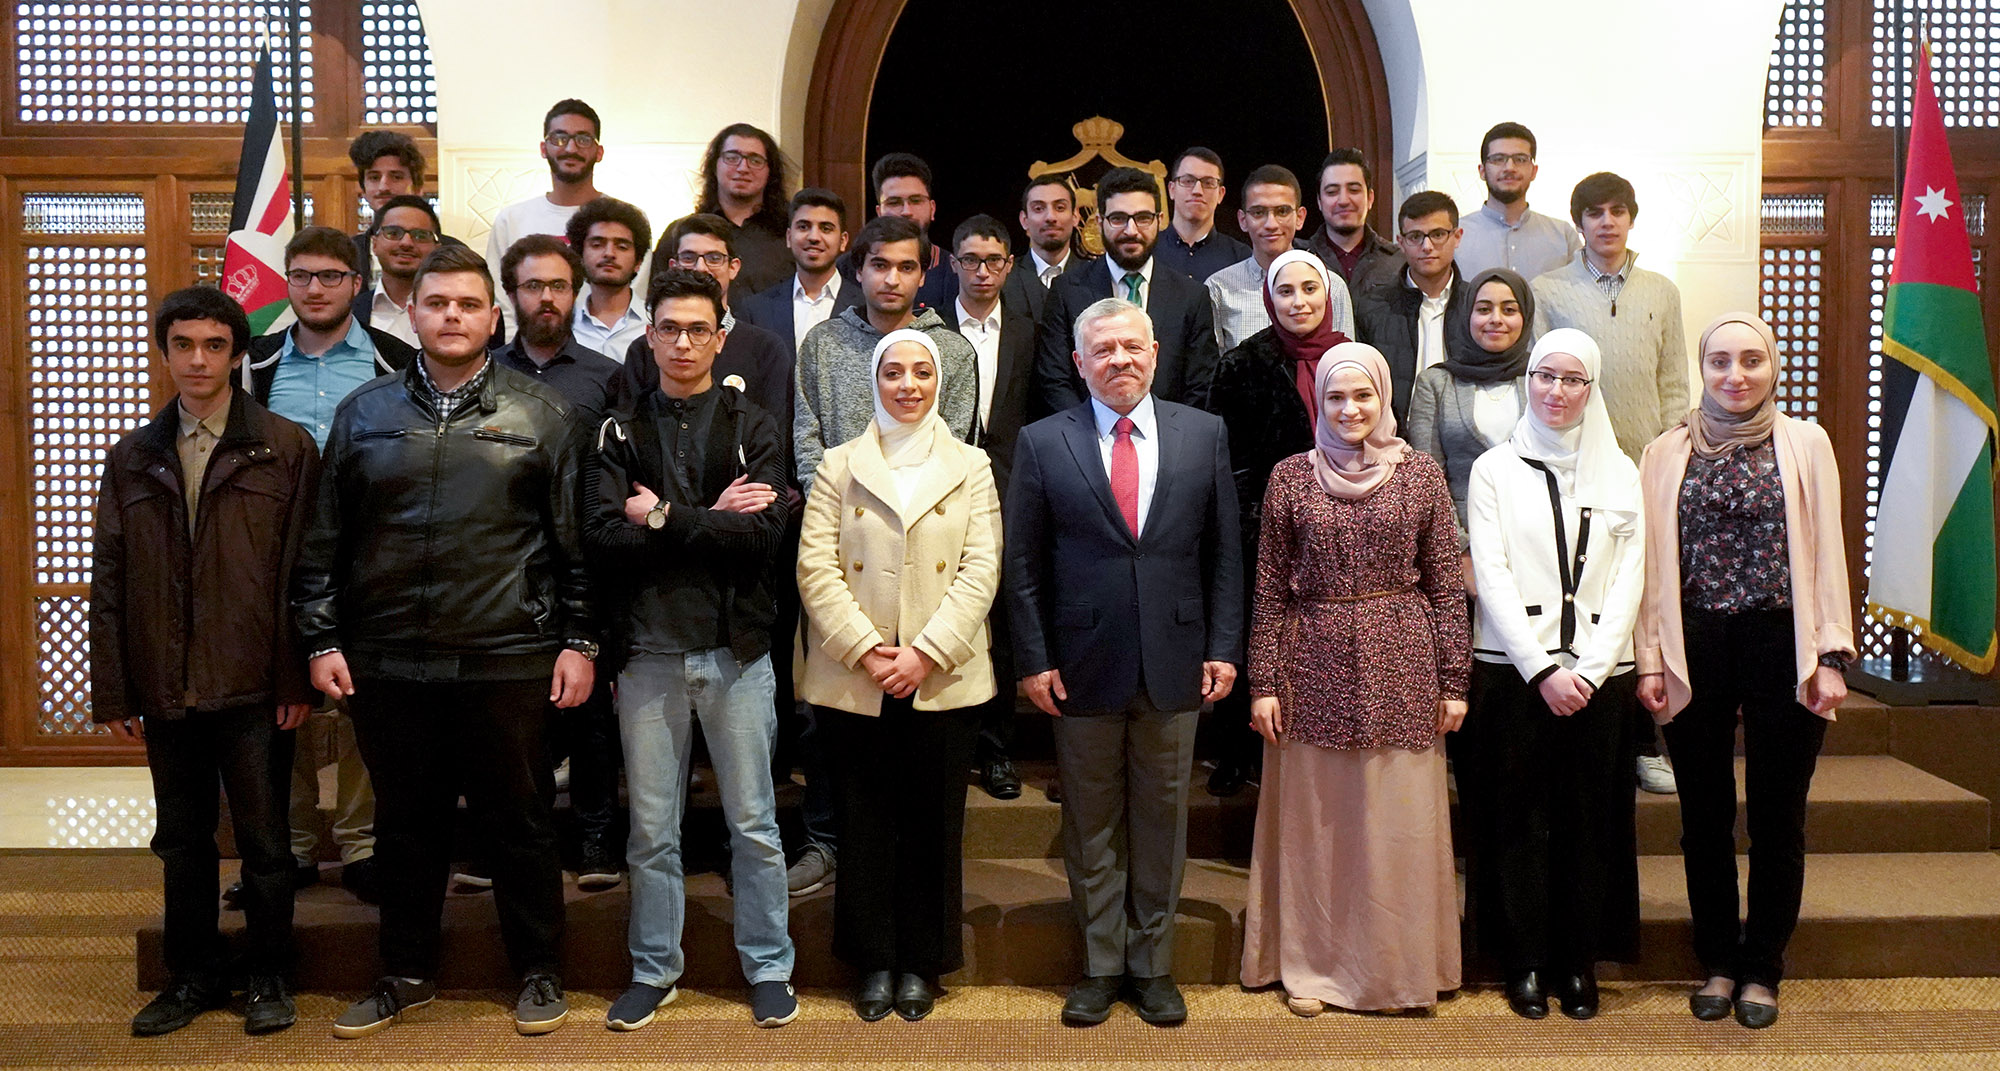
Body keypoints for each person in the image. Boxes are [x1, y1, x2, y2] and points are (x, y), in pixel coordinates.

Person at [301, 245, 597, 1039]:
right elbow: (327, 536)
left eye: (469, 304)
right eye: (437, 304)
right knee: (405, 823)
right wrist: (321, 634)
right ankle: (404, 971)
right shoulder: (362, 413)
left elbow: (576, 545)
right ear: (415, 313)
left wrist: (582, 640)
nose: (453, 317)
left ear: (493, 316)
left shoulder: (546, 416)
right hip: (390, 656)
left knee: (521, 820)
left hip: (509, 653)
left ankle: (538, 968)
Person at [1006, 297, 1243, 1027]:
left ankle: (1153, 963)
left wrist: (1223, 647)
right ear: (1079, 363)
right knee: (1092, 819)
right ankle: (1102, 963)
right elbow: (1023, 564)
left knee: (1164, 818)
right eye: (1103, 350)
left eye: (1132, 347)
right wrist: (1034, 657)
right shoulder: (1045, 440)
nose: (1120, 360)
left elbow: (1225, 553)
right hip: (1080, 661)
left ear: (1156, 351)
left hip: (1177, 656)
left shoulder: (1202, 432)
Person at [92, 287, 318, 1037]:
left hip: (254, 681)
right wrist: (117, 687)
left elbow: (300, 573)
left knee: (264, 841)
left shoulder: (284, 446)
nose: (197, 359)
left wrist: (295, 676)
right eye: (183, 344)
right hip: (164, 684)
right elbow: (112, 579)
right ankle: (189, 977)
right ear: (164, 353)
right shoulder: (132, 456)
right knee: (183, 840)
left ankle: (268, 974)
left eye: (213, 345)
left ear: (237, 353)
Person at [584, 267, 801, 1031]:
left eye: (697, 328)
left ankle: (769, 964)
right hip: (647, 653)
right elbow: (605, 537)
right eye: (669, 328)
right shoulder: (618, 429)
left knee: (754, 824)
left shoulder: (755, 425)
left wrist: (667, 516)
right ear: (649, 334)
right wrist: (710, 520)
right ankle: (653, 968)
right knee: (651, 830)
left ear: (721, 333)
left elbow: (765, 538)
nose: (683, 341)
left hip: (736, 651)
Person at [1636, 314, 1853, 1030]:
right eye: (1722, 361)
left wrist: (1829, 654)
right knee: (1703, 817)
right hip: (1693, 639)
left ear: (1774, 366)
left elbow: (1828, 549)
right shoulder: (1665, 450)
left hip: (1781, 640)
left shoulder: (1806, 441)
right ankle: (1718, 959)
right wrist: (1651, 659)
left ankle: (1762, 966)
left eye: (1752, 360)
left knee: (1777, 814)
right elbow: (1648, 569)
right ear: (1702, 367)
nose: (1736, 374)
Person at [1238, 342, 1467, 1017]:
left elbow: (1448, 588)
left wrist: (1454, 681)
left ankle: (1397, 970)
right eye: (1336, 396)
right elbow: (1271, 588)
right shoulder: (1289, 476)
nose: (1349, 408)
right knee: (1320, 830)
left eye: (1362, 395)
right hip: (1311, 659)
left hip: (1403, 660)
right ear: (1319, 402)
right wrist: (1264, 681)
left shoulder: (1422, 475)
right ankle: (1314, 968)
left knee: (1397, 825)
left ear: (1383, 398)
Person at [796, 329, 1001, 1021]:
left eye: (920, 372)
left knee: (933, 823)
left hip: (940, 673)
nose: (908, 384)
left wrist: (924, 652)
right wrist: (866, 648)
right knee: (863, 820)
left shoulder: (971, 464)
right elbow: (815, 567)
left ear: (939, 381)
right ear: (874, 381)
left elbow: (981, 568)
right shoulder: (838, 463)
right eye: (893, 372)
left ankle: (923, 959)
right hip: (856, 674)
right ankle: (872, 957)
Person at [1462, 328, 1644, 1022]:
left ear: (1591, 389)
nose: (1557, 391)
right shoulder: (1494, 470)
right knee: (1517, 819)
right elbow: (1494, 574)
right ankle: (1524, 959)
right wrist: (1541, 667)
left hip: (1600, 679)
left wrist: (1592, 670)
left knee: (1589, 821)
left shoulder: (1620, 471)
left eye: (1573, 380)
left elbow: (1631, 577)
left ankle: (1579, 958)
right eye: (1545, 376)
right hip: (1513, 673)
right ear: (1527, 382)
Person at [236, 227, 416, 913]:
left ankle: (364, 844)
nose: (316, 289)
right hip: (271, 554)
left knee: (366, 697)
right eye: (303, 275)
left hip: (368, 550)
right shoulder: (253, 363)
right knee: (282, 700)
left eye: (332, 276)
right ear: (286, 282)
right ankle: (294, 846)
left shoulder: (394, 358)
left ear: (356, 283)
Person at [1534, 171, 1689, 795]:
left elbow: (1676, 383)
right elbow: (1545, 381)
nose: (1606, 222)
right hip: (1575, 474)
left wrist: (1670, 461)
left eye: (1616, 211)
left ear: (1631, 217)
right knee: (1585, 597)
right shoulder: (1549, 288)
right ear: (1579, 223)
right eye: (1593, 213)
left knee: (1642, 605)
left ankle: (1645, 742)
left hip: (1646, 471)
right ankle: (1582, 732)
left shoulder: (1662, 291)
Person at [1202, 249, 1349, 798]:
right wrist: (1255, 519)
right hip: (1263, 525)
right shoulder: (1240, 364)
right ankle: (1238, 755)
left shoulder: (1355, 357)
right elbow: (1225, 458)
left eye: (1309, 289)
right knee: (1255, 638)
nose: (1299, 301)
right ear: (1269, 298)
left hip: (1345, 525)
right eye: (1285, 291)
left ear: (1328, 295)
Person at [943, 215, 1036, 800]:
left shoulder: (1030, 329)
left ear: (1008, 265)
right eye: (971, 259)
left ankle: (998, 751)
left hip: (1009, 490)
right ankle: (951, 749)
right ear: (952, 262)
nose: (982, 270)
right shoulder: (926, 327)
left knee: (999, 623)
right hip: (938, 491)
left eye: (993, 261)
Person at [795, 214, 977, 495]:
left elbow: (956, 447)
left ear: (922, 276)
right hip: (838, 512)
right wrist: (828, 505)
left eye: (906, 268)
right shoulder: (823, 343)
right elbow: (807, 441)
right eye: (880, 266)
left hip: (927, 515)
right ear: (859, 271)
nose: (892, 280)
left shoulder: (953, 351)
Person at [1035, 167, 1221, 416]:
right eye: (1118, 218)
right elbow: (1055, 379)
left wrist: (1164, 434)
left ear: (1160, 220)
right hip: (1087, 439)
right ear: (1100, 222)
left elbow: (1200, 385)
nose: (1131, 230)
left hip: (1168, 441)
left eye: (1143, 218)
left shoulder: (1191, 296)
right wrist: (1095, 432)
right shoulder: (1067, 290)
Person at [1405, 268, 1535, 543]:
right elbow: (1428, 480)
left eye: (1509, 310)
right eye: (1484, 309)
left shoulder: (1544, 380)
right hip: (1465, 539)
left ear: (1525, 317)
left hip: (1538, 537)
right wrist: (1461, 550)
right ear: (1467, 316)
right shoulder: (1436, 384)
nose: (1496, 320)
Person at [485, 99, 607, 337]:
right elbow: (501, 299)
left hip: (606, 355)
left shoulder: (624, 222)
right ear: (543, 148)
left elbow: (635, 299)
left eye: (583, 139)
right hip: (525, 357)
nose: (571, 149)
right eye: (559, 138)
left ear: (599, 152)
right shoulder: (511, 220)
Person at [1206, 165, 1352, 353]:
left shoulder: (1332, 287)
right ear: (1243, 220)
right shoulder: (1219, 289)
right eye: (1258, 212)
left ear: (1300, 217)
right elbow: (1214, 375)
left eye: (1282, 211)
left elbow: (1347, 367)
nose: (1271, 224)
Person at [1354, 191, 1469, 427]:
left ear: (1457, 237)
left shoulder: (1477, 305)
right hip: (1394, 439)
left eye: (1438, 234)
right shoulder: (1371, 308)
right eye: (1415, 236)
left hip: (1463, 439)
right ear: (1401, 242)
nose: (1427, 246)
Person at [737, 188, 859, 355]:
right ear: (789, 237)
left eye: (826, 228)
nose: (814, 237)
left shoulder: (865, 307)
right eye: (803, 227)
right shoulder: (756, 310)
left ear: (843, 241)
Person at [1455, 122, 1580, 281]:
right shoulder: (1455, 236)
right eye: (1498, 159)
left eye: (1520, 159)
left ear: (1534, 171)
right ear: (1482, 171)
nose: (1509, 167)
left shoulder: (1563, 236)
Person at [696, 122, 794, 301]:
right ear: (714, 165)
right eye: (732, 158)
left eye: (755, 160)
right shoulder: (685, 233)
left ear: (770, 172)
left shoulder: (791, 234)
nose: (742, 168)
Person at [564, 196, 651, 362]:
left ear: (638, 262)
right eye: (597, 245)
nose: (609, 253)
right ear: (580, 256)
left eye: (622, 246)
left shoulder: (656, 323)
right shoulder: (563, 325)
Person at [351, 194, 443, 349]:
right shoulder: (350, 313)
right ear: (374, 244)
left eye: (420, 235)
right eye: (393, 233)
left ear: (436, 248)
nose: (406, 243)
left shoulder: (458, 314)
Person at [866, 152, 955, 311]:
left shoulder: (957, 271)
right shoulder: (850, 269)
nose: (906, 211)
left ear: (932, 209)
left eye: (915, 201)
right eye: (894, 202)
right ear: (879, 212)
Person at [1302, 148, 1401, 288]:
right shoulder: (1299, 258)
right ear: (1319, 201)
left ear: (1370, 198)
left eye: (1354, 190)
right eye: (1332, 192)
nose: (1343, 200)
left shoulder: (1397, 261)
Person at [1004, 175, 1090, 322]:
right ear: (1024, 220)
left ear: (1075, 216)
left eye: (1060, 208)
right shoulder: (1005, 278)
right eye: (1038, 208)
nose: (1050, 217)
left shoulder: (1093, 278)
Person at [1157, 147, 1249, 283]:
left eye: (1208, 183)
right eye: (1188, 181)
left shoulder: (1241, 258)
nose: (1197, 191)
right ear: (1171, 189)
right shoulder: (1147, 250)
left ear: (1221, 194)